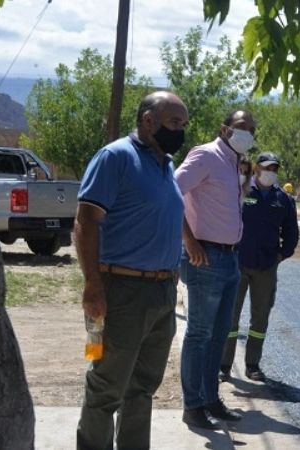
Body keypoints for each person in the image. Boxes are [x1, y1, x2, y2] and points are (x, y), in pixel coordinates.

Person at [75, 91, 188, 449]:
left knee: (141, 389)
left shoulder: (165, 164)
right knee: (106, 387)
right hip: (120, 292)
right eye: (175, 122)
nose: (181, 131)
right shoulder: (116, 157)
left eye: (184, 124)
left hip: (161, 293)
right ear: (148, 121)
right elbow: (86, 222)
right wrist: (92, 285)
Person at [176, 110, 256, 430]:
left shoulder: (234, 163)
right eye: (242, 127)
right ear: (224, 129)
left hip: (230, 259)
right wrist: (189, 241)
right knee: (200, 334)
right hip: (205, 257)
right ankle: (193, 406)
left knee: (218, 335)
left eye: (252, 129)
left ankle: (210, 399)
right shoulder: (206, 155)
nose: (248, 133)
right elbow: (171, 191)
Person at [220, 153, 298, 382]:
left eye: (274, 168)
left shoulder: (283, 199)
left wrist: (281, 255)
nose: (270, 172)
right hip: (238, 263)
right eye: (266, 168)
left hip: (266, 267)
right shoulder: (241, 191)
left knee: (260, 319)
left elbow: (291, 232)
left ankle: (252, 365)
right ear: (256, 168)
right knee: (229, 317)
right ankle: (223, 365)